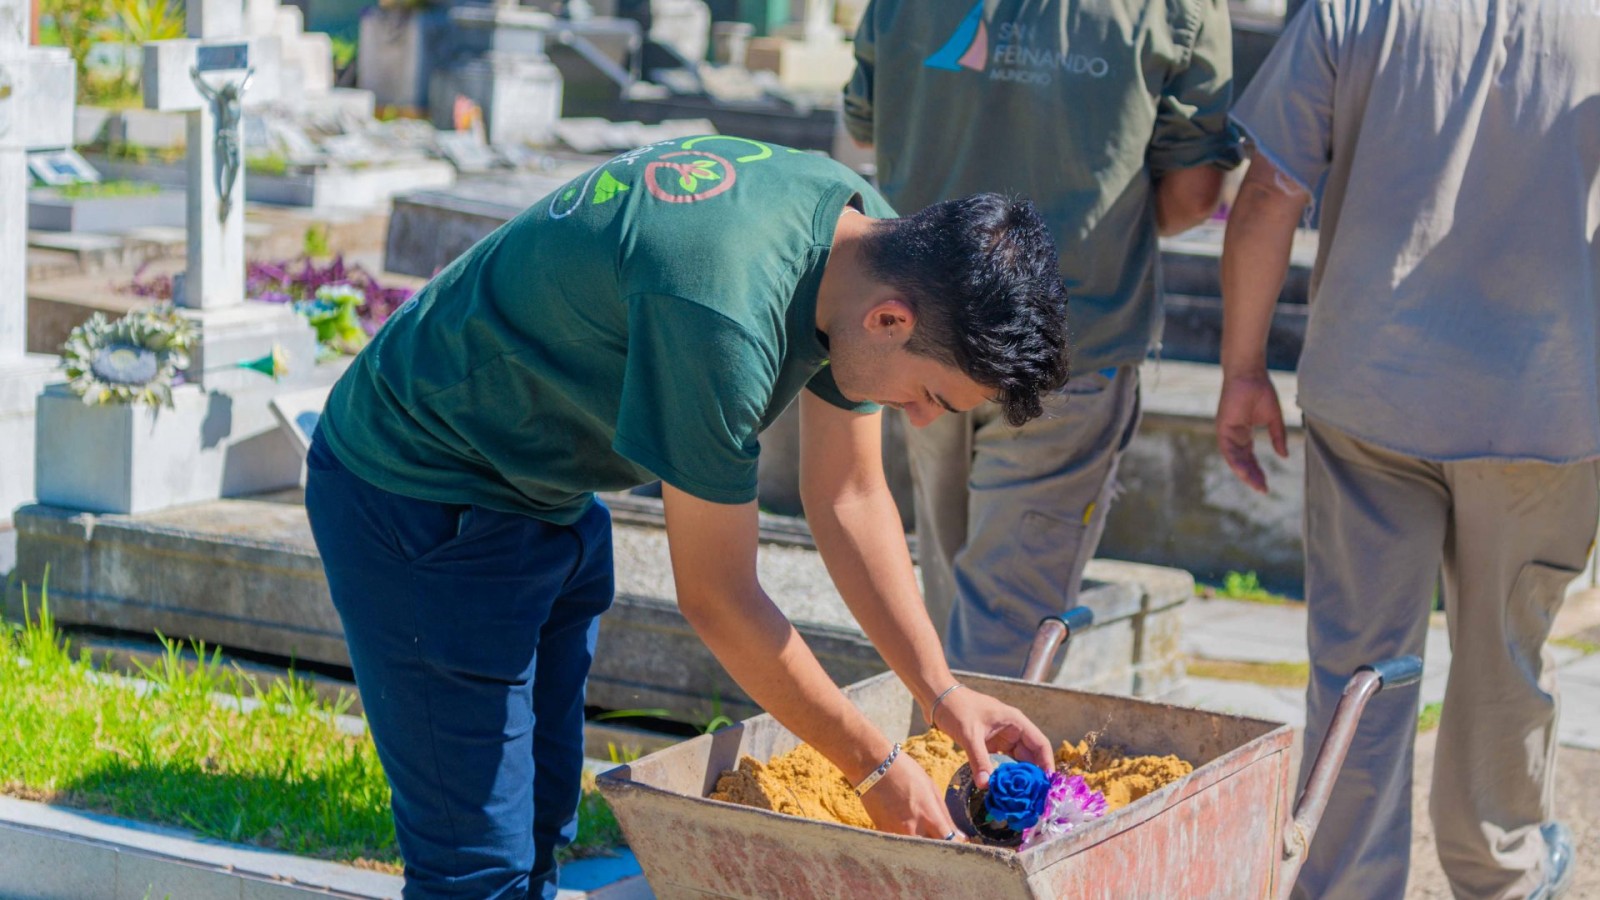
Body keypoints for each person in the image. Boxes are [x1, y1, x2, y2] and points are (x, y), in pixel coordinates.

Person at [304, 135, 1069, 898]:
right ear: (891, 322)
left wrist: (942, 694)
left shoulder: (868, 244)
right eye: (932, 396)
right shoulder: (720, 316)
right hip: (421, 493)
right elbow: (718, 598)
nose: (923, 419)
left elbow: (850, 496)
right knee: (477, 871)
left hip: (541, 489)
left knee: (539, 826)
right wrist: (874, 767)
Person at [1217, 2, 1598, 896]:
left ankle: (1348, 883)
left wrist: (1243, 368)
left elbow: (1269, 191)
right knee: (1508, 658)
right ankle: (1501, 872)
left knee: (1358, 667)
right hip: (1546, 399)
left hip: (1374, 385)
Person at [843, 0, 1241, 675]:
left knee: (942, 613)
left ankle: (938, 737)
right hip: (1069, 338)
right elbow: (1195, 193)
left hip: (918, 336)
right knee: (1005, 632)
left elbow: (865, 124)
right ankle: (969, 746)